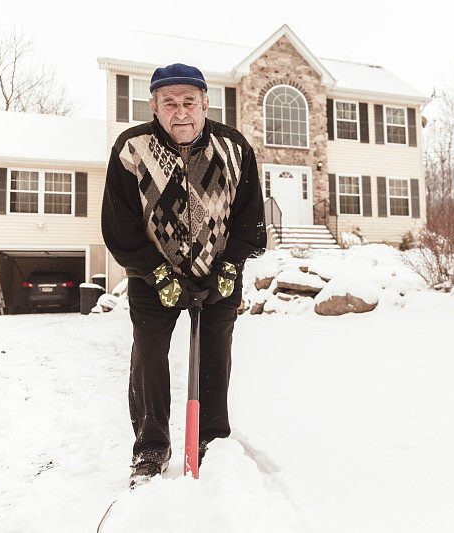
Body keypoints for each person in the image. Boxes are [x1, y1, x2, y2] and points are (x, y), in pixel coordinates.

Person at [101, 63, 266, 488]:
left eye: (189, 101)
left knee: (215, 354)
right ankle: (152, 448)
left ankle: (210, 441)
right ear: (153, 106)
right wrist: (158, 274)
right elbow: (119, 230)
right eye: (169, 102)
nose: (180, 112)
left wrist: (228, 266)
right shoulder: (131, 149)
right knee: (149, 355)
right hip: (151, 276)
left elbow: (250, 222)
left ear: (205, 102)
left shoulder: (234, 148)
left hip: (219, 275)